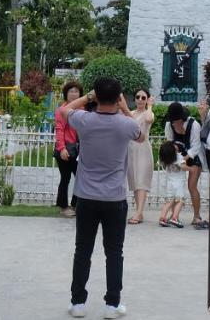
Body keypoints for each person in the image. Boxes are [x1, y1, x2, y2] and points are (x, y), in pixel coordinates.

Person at [59, 78, 144, 319]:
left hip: (86, 196)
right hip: (115, 198)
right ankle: (112, 305)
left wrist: (87, 98)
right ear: (119, 97)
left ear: (96, 96)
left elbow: (65, 110)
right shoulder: (125, 125)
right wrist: (126, 108)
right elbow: (141, 137)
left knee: (82, 250)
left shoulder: (85, 120)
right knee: (114, 252)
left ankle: (78, 303)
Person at [163, 101, 207, 228]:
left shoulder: (194, 125)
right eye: (173, 121)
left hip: (194, 156)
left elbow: (196, 146)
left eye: (177, 120)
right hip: (177, 156)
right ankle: (173, 216)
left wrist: (184, 159)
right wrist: (177, 159)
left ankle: (197, 216)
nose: (174, 123)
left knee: (191, 185)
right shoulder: (169, 125)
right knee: (175, 187)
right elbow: (170, 143)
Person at [126, 88, 155, 224]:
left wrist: (150, 106)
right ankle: (139, 212)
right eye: (138, 97)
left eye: (143, 98)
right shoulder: (130, 113)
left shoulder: (149, 113)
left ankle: (138, 213)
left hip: (143, 148)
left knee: (142, 180)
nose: (140, 100)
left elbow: (149, 119)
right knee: (134, 181)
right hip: (131, 149)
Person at [54, 81, 84, 216]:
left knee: (81, 177)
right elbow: (59, 130)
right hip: (66, 149)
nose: (73, 94)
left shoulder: (84, 109)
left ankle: (76, 205)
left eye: (76, 91)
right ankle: (63, 207)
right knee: (65, 178)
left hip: (80, 150)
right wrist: (62, 148)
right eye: (71, 91)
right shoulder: (62, 110)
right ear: (66, 93)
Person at [157, 141, 187, 228]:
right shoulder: (179, 157)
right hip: (179, 184)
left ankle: (162, 218)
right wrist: (191, 168)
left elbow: (159, 163)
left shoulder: (166, 159)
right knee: (180, 201)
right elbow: (183, 167)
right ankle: (174, 218)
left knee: (169, 201)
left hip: (170, 184)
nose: (175, 145)